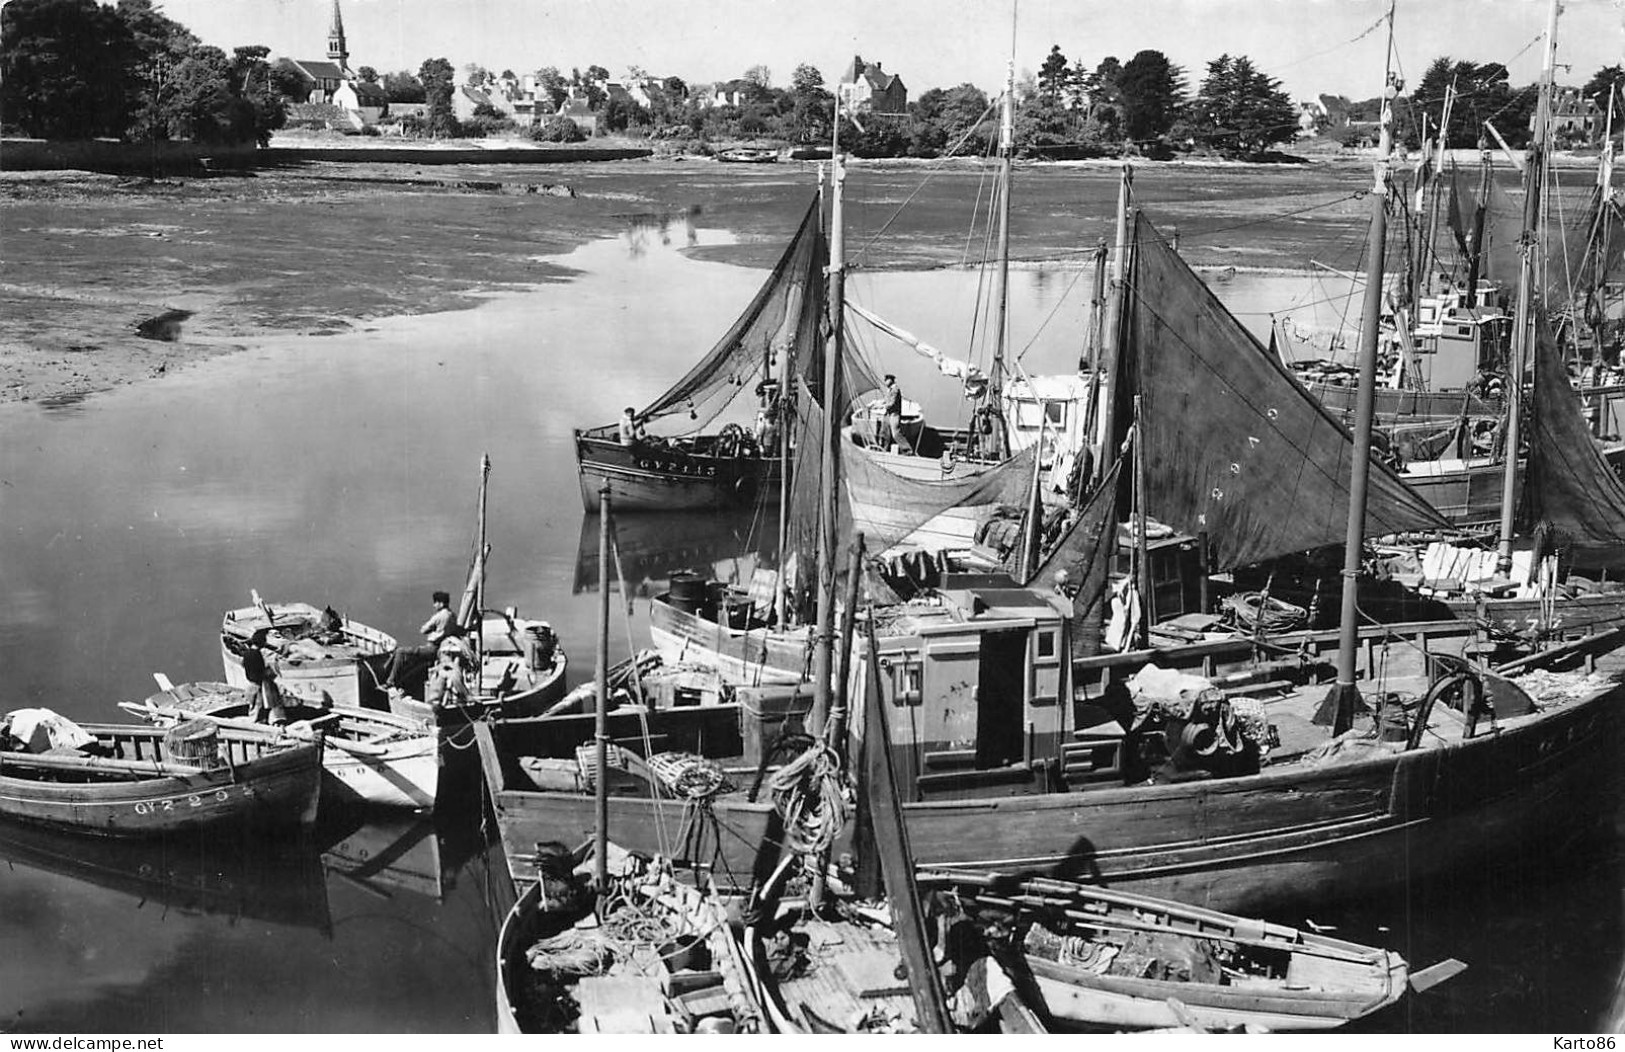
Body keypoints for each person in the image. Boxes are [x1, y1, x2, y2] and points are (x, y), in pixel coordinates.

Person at [381, 590, 455, 691]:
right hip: (442, 647)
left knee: (400, 651)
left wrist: (433, 629)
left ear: (441, 603)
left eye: (435, 603)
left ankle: (389, 680)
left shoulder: (439, 616)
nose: (434, 605)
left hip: (433, 648)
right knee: (402, 651)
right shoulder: (452, 615)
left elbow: (423, 630)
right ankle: (387, 671)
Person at [243, 629, 287, 726]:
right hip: (258, 685)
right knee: (259, 707)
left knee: (253, 707)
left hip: (250, 684)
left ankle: (257, 723)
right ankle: (260, 726)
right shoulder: (257, 654)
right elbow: (260, 670)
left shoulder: (246, 653)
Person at [876, 374, 910, 454]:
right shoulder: (889, 390)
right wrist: (877, 403)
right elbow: (886, 400)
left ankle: (907, 450)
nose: (885, 382)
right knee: (884, 432)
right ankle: (884, 449)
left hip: (894, 414)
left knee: (896, 434)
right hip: (888, 414)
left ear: (891, 380)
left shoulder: (895, 389)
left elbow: (892, 403)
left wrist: (883, 406)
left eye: (887, 380)